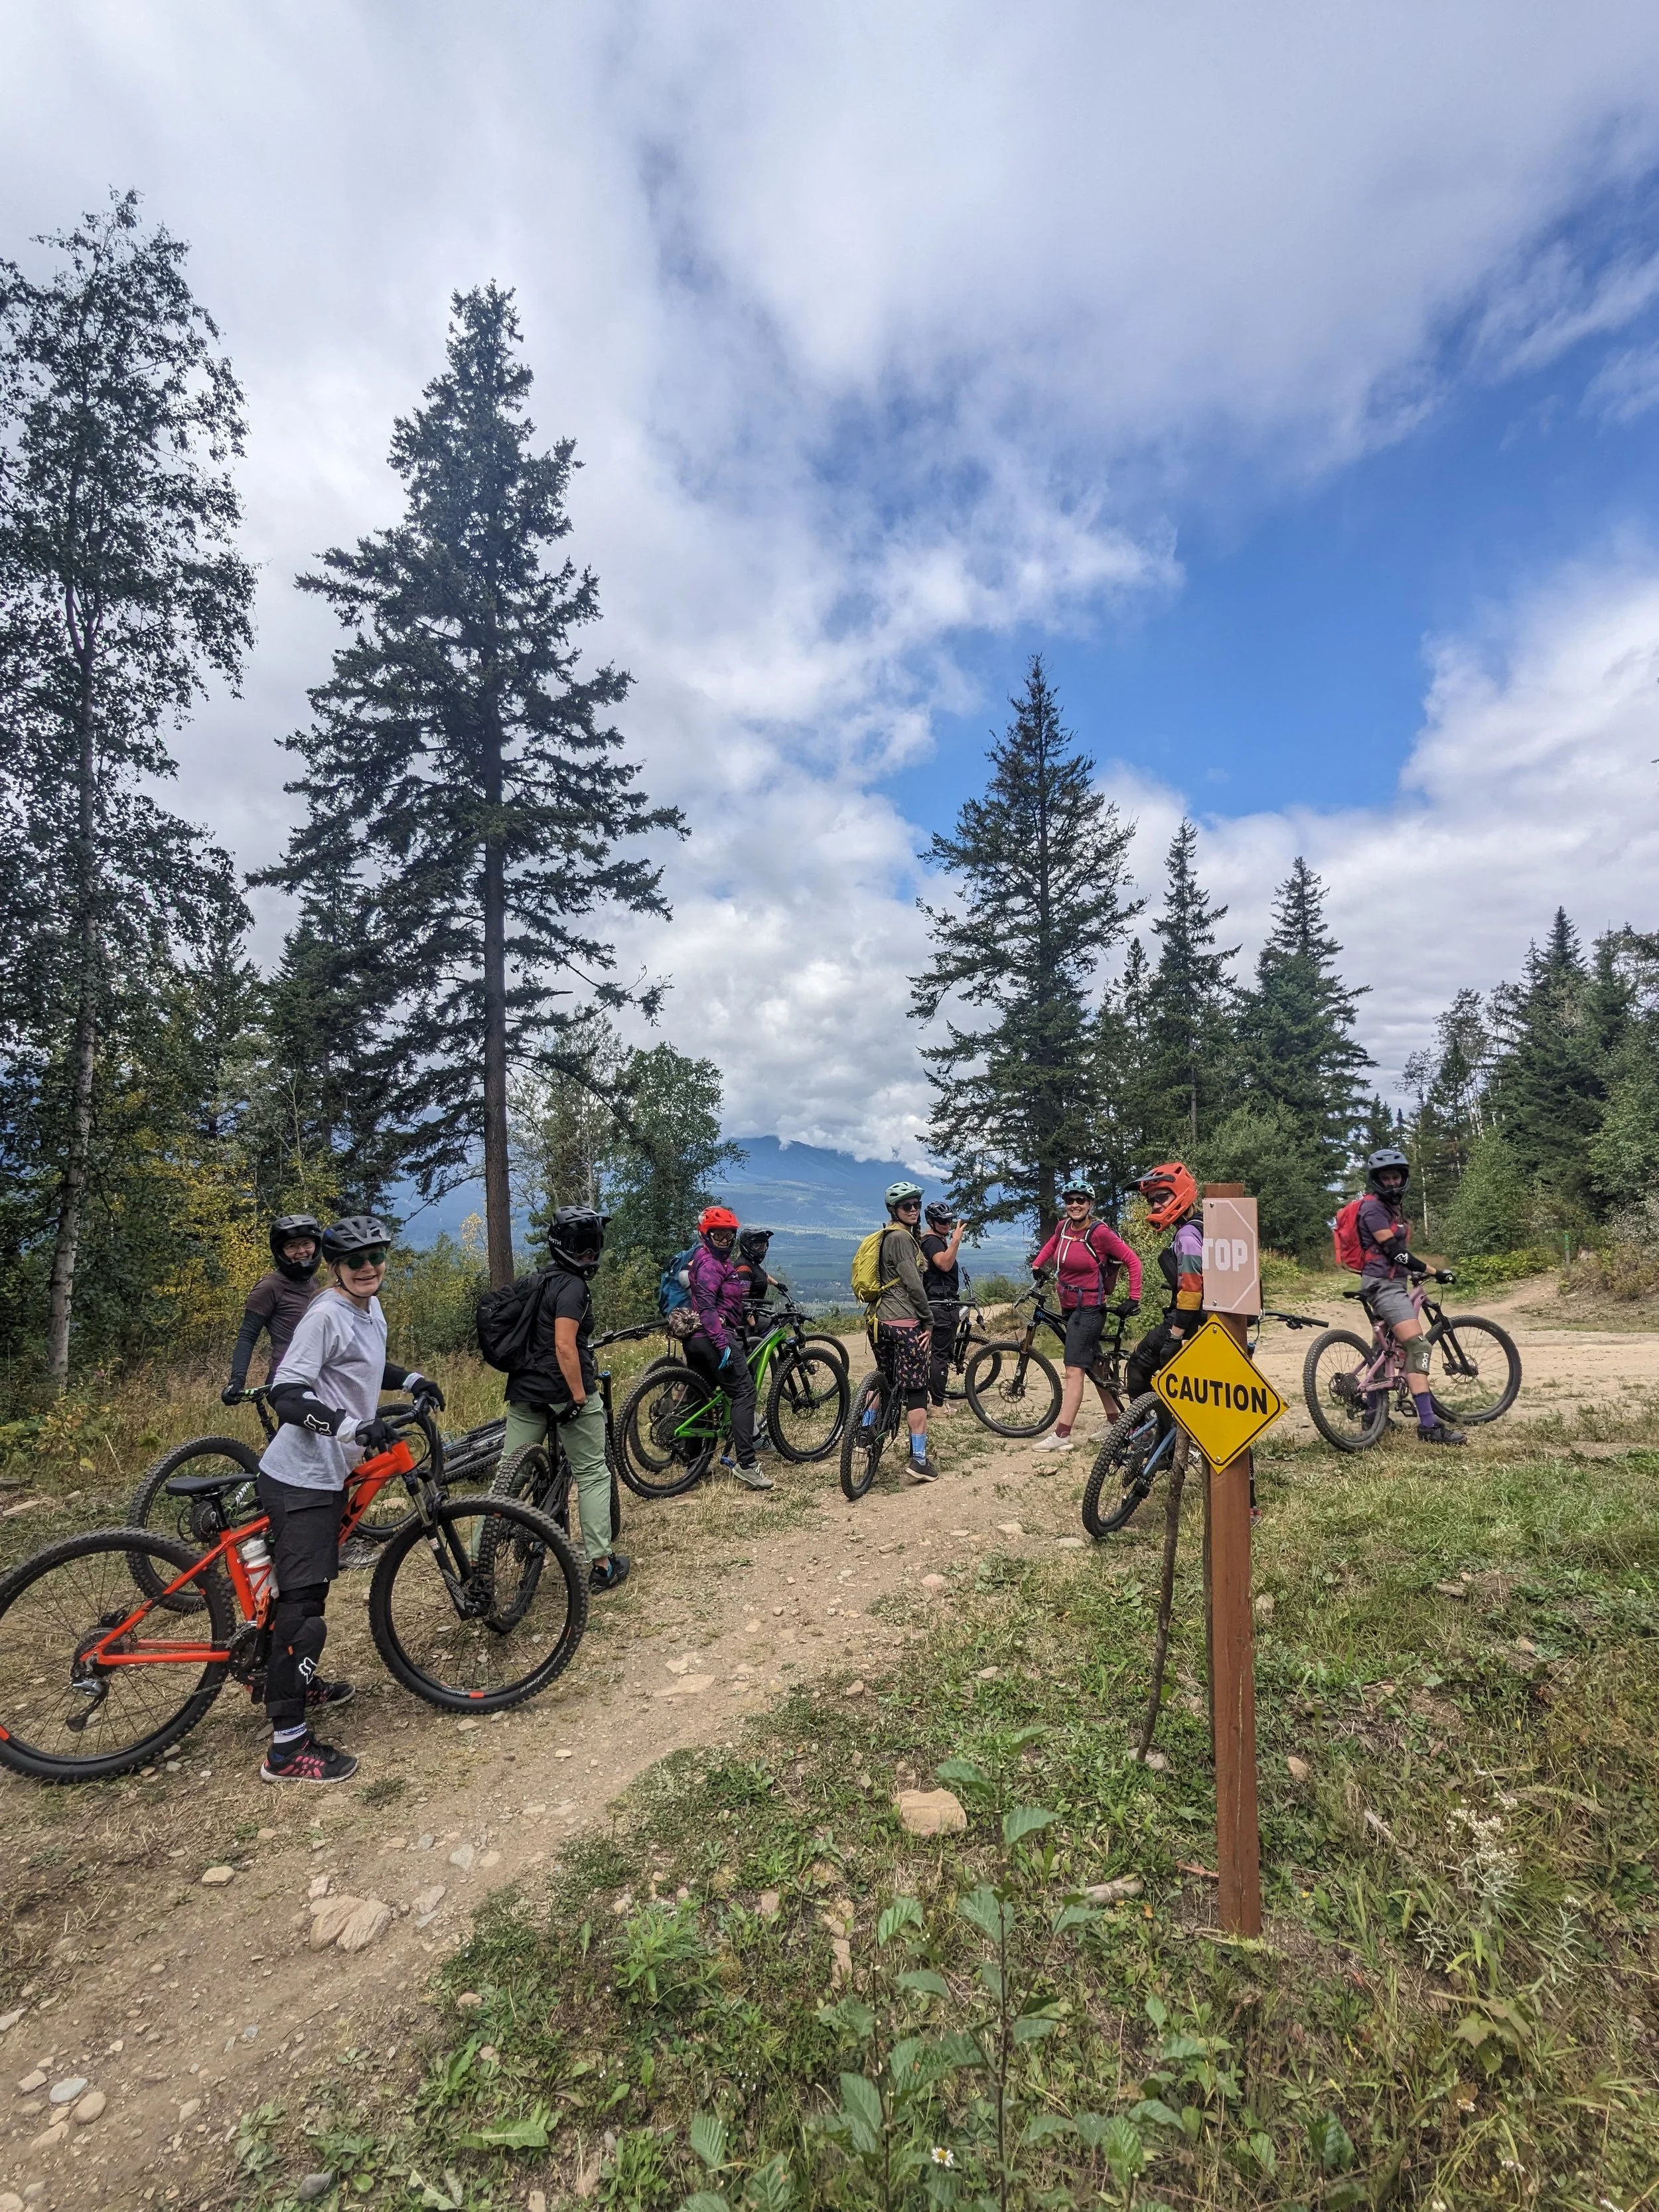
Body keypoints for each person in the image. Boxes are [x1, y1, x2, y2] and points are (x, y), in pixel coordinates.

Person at [257, 1215, 446, 1785]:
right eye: (355, 1260)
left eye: (376, 1256)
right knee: (304, 1607)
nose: (368, 1267)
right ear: (335, 1267)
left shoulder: (367, 1305)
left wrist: (410, 1379)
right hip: (302, 1476)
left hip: (328, 1473)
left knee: (303, 1590)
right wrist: (350, 1428)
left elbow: (362, 1366)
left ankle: (285, 1677)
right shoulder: (324, 1313)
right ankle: (286, 1748)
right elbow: (287, 1393)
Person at [500, 1206, 634, 1589]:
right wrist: (578, 1394)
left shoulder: (537, 1280)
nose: (589, 1256)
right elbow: (564, 1346)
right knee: (593, 1472)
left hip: (524, 1390)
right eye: (582, 1248)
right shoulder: (574, 1287)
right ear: (564, 1246)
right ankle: (602, 1565)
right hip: (562, 1391)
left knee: (511, 1476)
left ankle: (480, 1556)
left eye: (593, 1248)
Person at [1354, 1148, 1466, 1446]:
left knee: (1384, 1350)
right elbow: (1394, 1251)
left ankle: (1373, 1413)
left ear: (1403, 1179)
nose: (1391, 1182)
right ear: (1377, 1181)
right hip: (1385, 1287)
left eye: (1396, 1177)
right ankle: (1429, 1426)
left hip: (1391, 1282)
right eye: (1386, 1178)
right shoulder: (1374, 1209)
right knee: (1418, 1346)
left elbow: (1396, 1257)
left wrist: (1412, 1274)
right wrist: (1433, 1270)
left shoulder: (1393, 1209)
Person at [1029, 1181, 1143, 1453]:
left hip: (1090, 1308)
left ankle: (1062, 1434)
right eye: (1071, 1200)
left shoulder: (1100, 1233)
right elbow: (1052, 1245)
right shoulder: (1064, 1227)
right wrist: (1036, 1265)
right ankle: (1117, 1421)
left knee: (1073, 1370)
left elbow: (1133, 1260)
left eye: (1081, 1200)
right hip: (1069, 1304)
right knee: (1095, 1365)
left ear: (1090, 1204)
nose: (1075, 1205)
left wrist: (1134, 1297)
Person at [685, 1206, 773, 1490]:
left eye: (728, 1235)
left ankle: (693, 1460)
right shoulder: (712, 1264)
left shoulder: (712, 1260)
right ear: (705, 1235)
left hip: (699, 1338)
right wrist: (723, 1343)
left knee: (702, 1396)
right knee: (744, 1392)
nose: (724, 1240)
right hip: (715, 1336)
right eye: (718, 1235)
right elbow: (708, 1306)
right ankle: (747, 1464)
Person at [1121, 1163, 1206, 1409]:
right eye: (1152, 1201)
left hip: (1192, 1320)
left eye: (1162, 1197)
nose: (1156, 1206)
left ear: (1181, 1193)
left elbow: (1191, 1289)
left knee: (1139, 1363)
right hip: (1214, 1318)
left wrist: (1175, 1337)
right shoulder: (1207, 1224)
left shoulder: (1187, 1236)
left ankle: (1144, 1429)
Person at [870, 1181, 939, 1482]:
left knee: (884, 1379)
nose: (913, 1210)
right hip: (904, 1323)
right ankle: (919, 1460)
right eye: (906, 1206)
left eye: (916, 1205)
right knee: (915, 1390)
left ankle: (864, 1430)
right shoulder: (900, 1238)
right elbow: (913, 1283)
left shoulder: (889, 1235)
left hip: (880, 1322)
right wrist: (928, 1320)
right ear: (894, 1210)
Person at [224, 1215, 325, 1404]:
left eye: (306, 1243)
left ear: (316, 1246)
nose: (301, 1251)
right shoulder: (270, 1287)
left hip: (319, 1376)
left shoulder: (315, 1284)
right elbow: (247, 1335)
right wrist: (237, 1380)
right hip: (287, 1379)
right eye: (291, 1246)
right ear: (281, 1252)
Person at [919, 1201, 966, 1414]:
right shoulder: (932, 1242)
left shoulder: (933, 1240)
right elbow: (944, 1264)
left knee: (934, 1355)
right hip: (941, 1306)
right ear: (931, 1222)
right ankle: (937, 1405)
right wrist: (956, 1241)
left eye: (949, 1220)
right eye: (942, 1221)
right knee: (941, 1356)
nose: (947, 1224)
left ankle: (928, 1396)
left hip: (936, 1303)